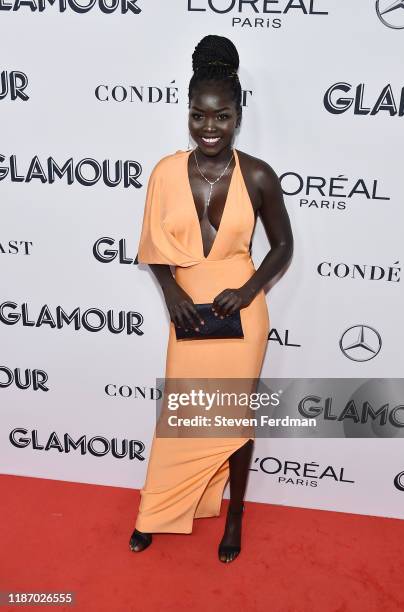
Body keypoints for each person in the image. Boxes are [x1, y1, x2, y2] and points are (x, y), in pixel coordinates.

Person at [129, 34, 293, 563]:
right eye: (199, 115)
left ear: (238, 115)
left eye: (221, 117)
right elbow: (154, 246)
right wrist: (171, 287)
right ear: (188, 113)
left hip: (242, 313)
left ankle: (236, 516)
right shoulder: (163, 171)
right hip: (188, 311)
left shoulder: (260, 175)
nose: (209, 127)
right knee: (181, 414)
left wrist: (248, 291)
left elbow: (284, 246)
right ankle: (160, 507)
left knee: (233, 418)